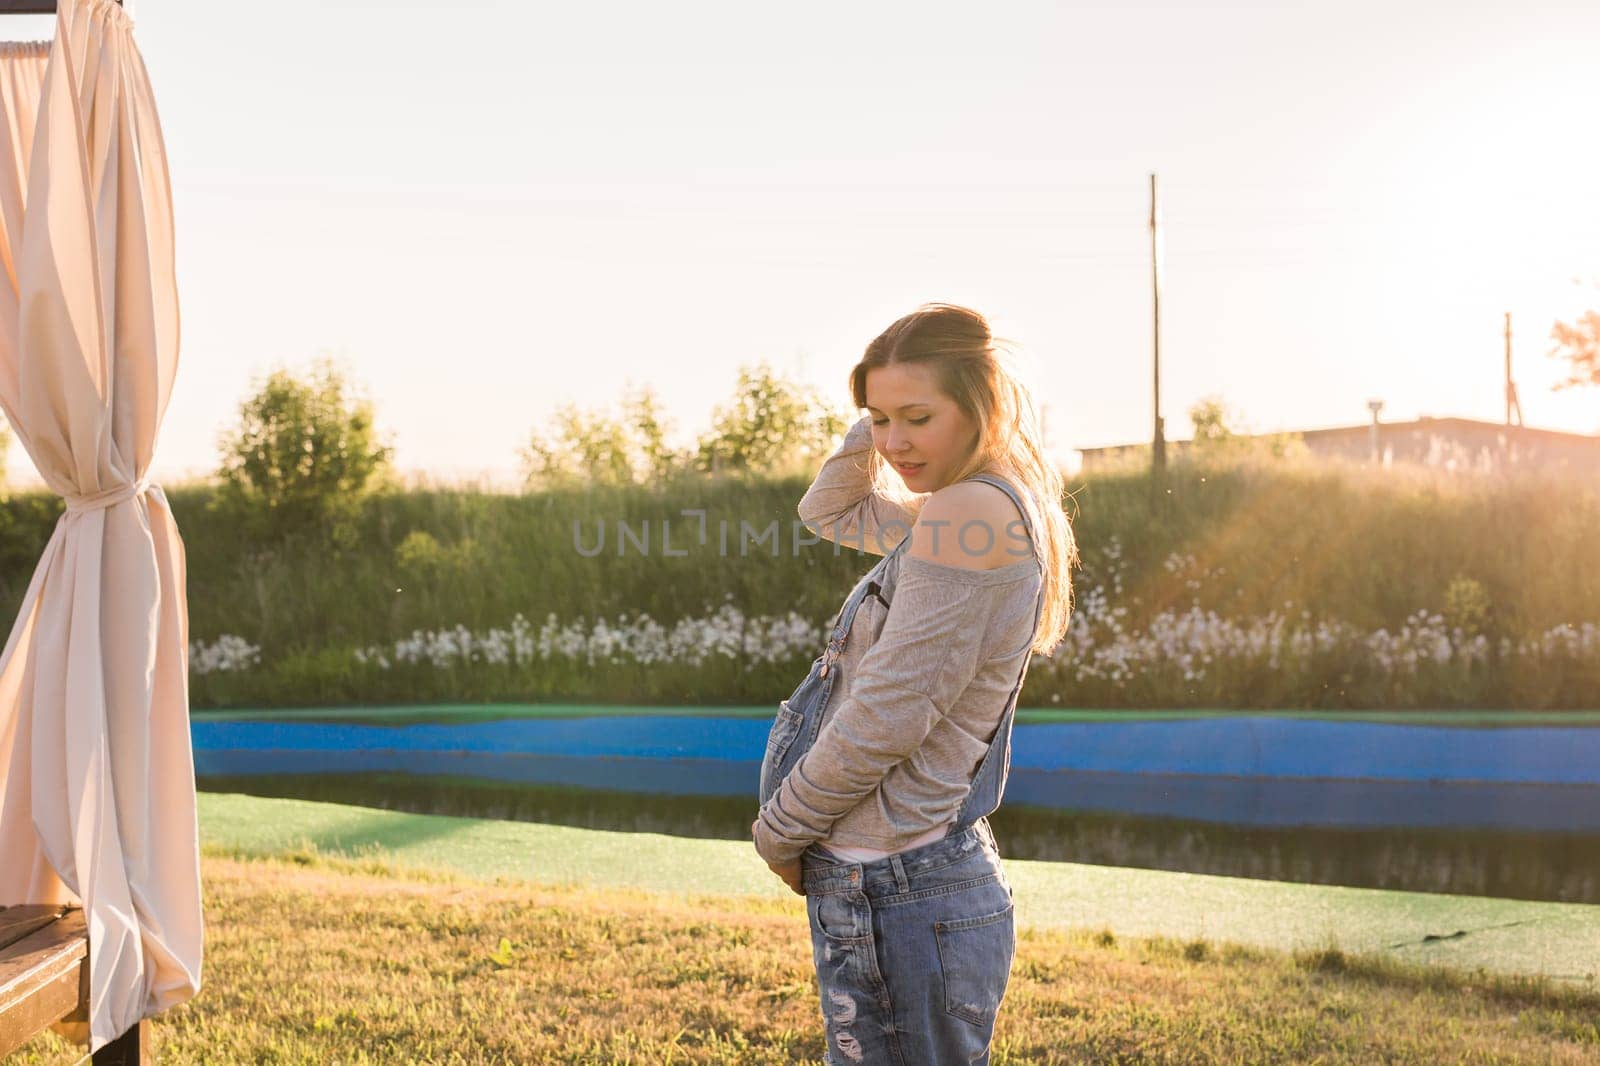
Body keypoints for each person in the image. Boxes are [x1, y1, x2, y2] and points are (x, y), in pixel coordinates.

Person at [750, 302, 1078, 1065]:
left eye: (918, 418)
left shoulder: (970, 513)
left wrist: (779, 830)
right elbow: (828, 509)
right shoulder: (962, 511)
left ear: (981, 407)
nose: (894, 443)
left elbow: (888, 716)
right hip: (904, 880)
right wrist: (884, 411)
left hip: (892, 883)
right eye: (879, 420)